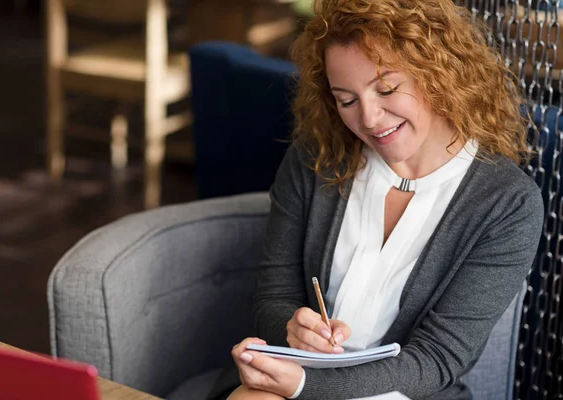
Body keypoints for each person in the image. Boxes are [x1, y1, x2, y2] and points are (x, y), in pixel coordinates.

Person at [207, 0, 545, 398]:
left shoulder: (508, 203)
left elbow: (439, 357)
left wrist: (309, 386)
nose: (367, 119)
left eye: (385, 89)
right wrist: (292, 329)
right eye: (346, 100)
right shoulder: (315, 159)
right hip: (291, 379)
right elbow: (274, 297)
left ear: (439, 73)